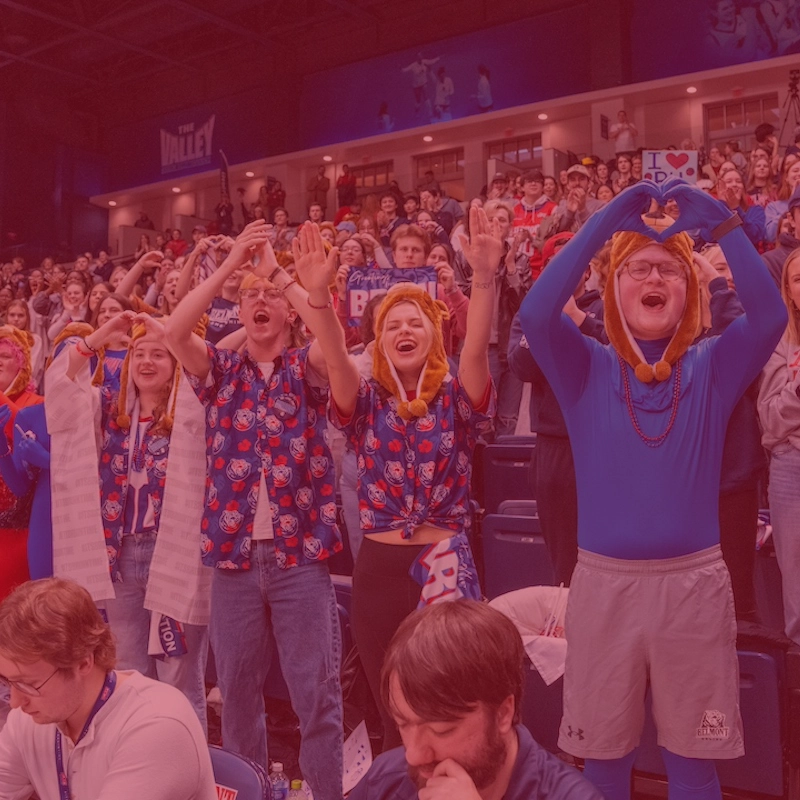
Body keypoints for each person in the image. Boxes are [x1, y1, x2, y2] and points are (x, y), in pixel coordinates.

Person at [519, 178, 786, 799]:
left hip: (692, 589)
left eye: (670, 269)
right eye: (637, 268)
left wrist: (721, 224)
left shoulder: (714, 364)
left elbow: (770, 314)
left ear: (688, 291)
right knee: (603, 764)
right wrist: (606, 221)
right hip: (603, 587)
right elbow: (535, 312)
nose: (654, 279)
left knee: (694, 764)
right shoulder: (586, 363)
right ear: (613, 289)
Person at [164, 221, 344, 798]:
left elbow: (334, 343)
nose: (260, 301)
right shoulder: (221, 372)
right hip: (234, 564)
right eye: (250, 296)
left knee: (316, 698)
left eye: (269, 297)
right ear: (236, 311)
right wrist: (233, 264)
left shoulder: (307, 369)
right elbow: (173, 329)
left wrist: (284, 276)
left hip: (301, 562)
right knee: (237, 701)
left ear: (289, 313)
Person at [327, 207, 499, 749]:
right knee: (392, 719)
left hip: (444, 561)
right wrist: (315, 298)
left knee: (450, 711)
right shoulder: (366, 397)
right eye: (392, 325)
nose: (404, 330)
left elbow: (475, 348)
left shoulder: (454, 392)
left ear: (435, 332)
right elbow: (334, 358)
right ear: (377, 341)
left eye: (415, 322)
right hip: (377, 570)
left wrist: (487, 277)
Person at [47, 313, 210, 728]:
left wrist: (174, 332)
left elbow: (214, 361)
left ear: (176, 364)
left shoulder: (193, 409)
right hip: (120, 556)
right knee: (128, 677)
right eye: (140, 353)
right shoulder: (108, 410)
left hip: (172, 555)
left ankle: (187, 778)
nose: (148, 362)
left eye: (160, 354)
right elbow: (61, 387)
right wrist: (98, 337)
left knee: (178, 678)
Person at [349, 600, 602, 800]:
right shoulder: (384, 781)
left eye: (441, 731)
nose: (414, 755)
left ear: (503, 714)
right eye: (403, 724)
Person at [0, 577, 216, 800]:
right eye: (8, 682)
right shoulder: (30, 718)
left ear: (84, 662)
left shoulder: (156, 725)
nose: (15, 702)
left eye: (30, 684)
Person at [757, 248, 800, 646]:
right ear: (788, 290)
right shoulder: (779, 343)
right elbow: (769, 422)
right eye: (799, 279)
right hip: (791, 466)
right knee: (797, 580)